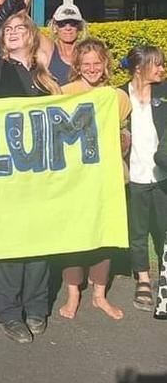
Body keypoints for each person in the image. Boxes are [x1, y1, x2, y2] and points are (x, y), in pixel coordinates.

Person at [0, 0, 60, 344]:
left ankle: (37, 306)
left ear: (31, 34)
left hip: (39, 172)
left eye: (19, 27)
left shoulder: (46, 77)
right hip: (2, 171)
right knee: (6, 240)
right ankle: (9, 313)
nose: (11, 32)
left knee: (39, 237)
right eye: (7, 28)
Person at [58, 38, 131, 320]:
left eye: (96, 63)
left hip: (108, 177)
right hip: (75, 180)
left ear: (105, 65)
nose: (91, 68)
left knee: (106, 233)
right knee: (75, 235)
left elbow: (124, 130)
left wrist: (124, 139)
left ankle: (100, 294)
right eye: (86, 64)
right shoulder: (64, 92)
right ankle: (73, 293)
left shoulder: (118, 97)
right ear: (77, 65)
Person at [120, 45, 167, 312]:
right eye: (156, 64)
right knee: (137, 232)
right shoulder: (119, 95)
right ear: (139, 68)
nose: (161, 69)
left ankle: (164, 276)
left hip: (163, 174)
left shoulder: (165, 92)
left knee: (163, 229)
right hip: (134, 175)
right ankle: (143, 279)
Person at [39, 2, 87, 86]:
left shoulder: (87, 52)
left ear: (79, 27)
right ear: (55, 27)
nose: (68, 28)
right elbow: (24, 22)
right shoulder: (49, 49)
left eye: (73, 23)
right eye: (62, 24)